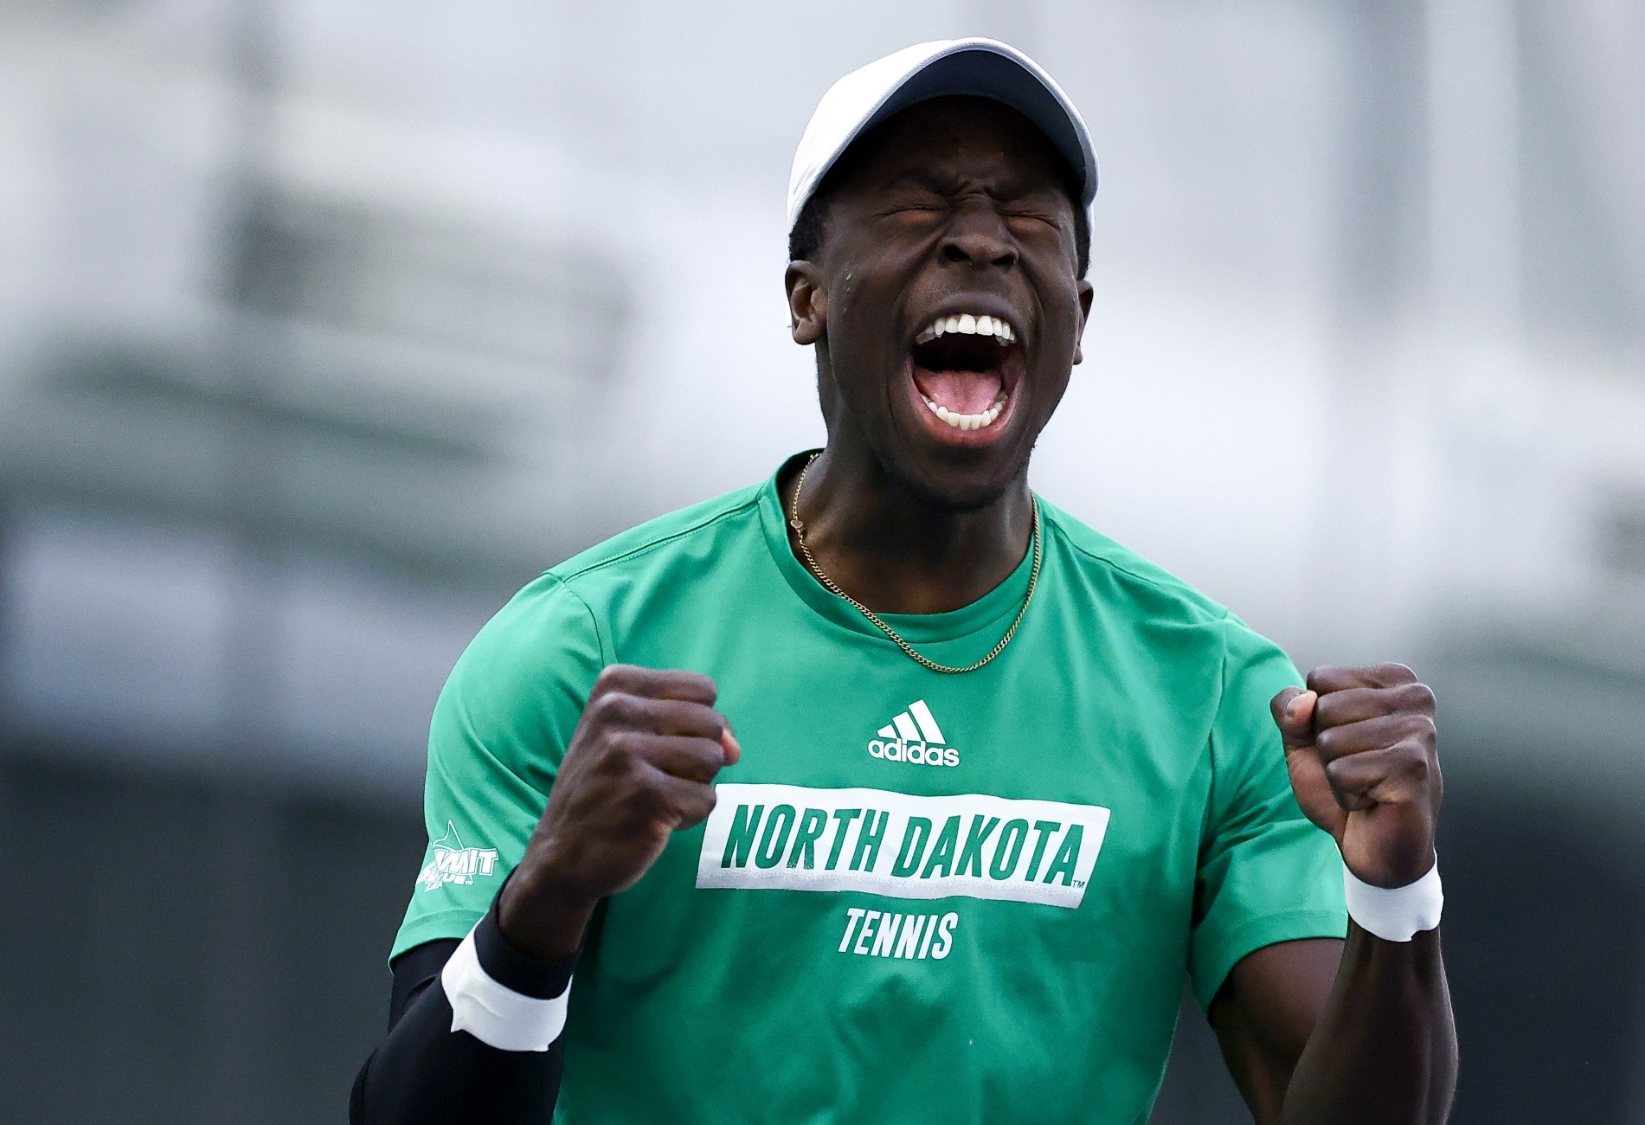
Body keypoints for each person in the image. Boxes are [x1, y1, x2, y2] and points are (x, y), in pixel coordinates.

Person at [351, 38, 1457, 1125]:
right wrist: (543, 900)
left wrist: (1394, 891)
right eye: (919, 204)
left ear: (1078, 315)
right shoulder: (585, 649)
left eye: (1026, 213)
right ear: (806, 300)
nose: (979, 239)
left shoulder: (1216, 696)